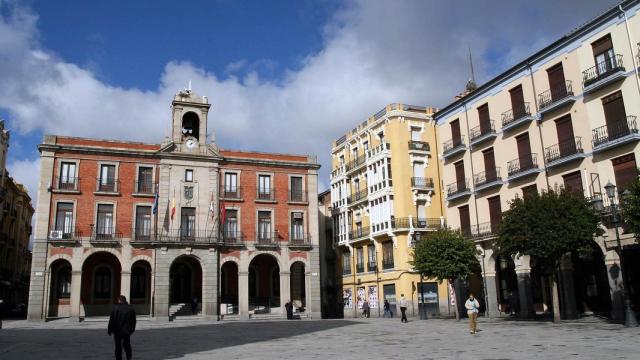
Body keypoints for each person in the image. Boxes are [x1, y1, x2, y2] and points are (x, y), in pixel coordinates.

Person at [108, 295, 136, 360]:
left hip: (117, 331)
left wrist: (110, 330)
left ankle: (118, 358)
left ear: (119, 300)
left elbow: (112, 320)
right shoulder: (131, 308)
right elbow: (133, 321)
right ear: (125, 300)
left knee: (118, 346)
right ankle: (129, 358)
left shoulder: (115, 308)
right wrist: (132, 330)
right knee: (127, 345)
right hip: (127, 331)